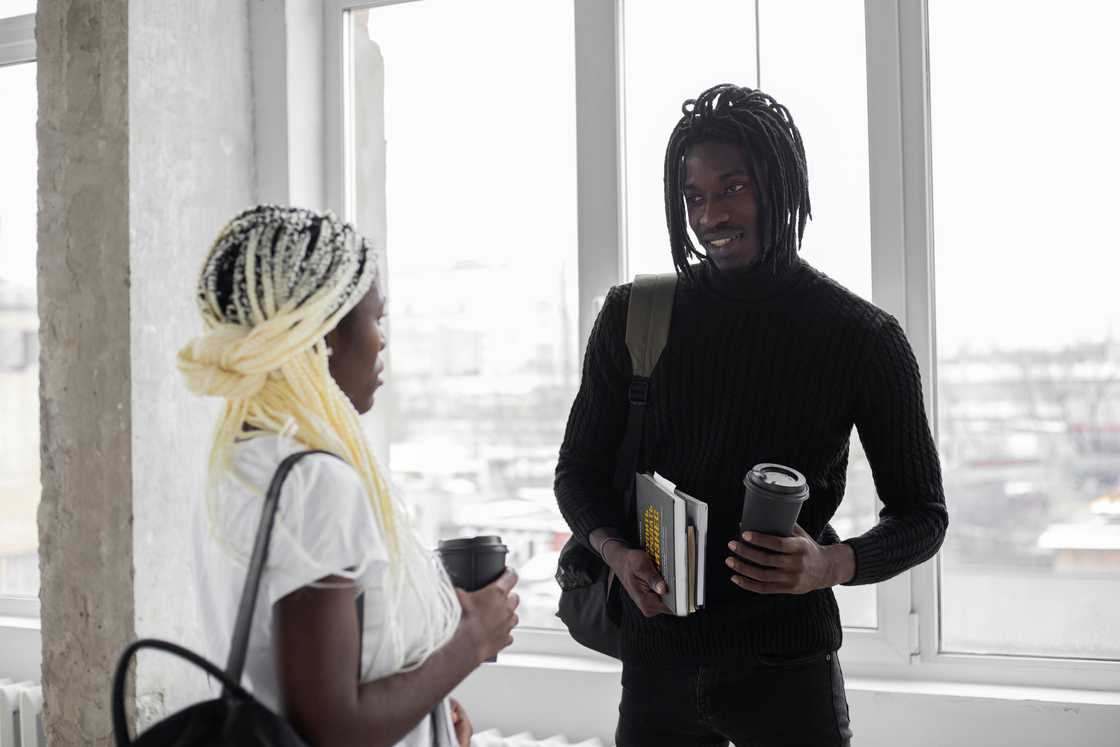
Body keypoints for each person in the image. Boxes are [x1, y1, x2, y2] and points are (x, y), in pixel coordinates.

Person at [555, 84, 948, 746]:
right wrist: (617, 554)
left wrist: (833, 563)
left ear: (779, 184)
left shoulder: (860, 337)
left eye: (732, 186)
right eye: (695, 195)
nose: (711, 213)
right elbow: (577, 472)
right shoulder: (634, 315)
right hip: (658, 671)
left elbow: (923, 515)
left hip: (788, 673)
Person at [180, 205, 519, 747]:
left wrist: (424, 707)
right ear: (321, 336)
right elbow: (330, 728)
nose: (382, 341)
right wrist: (473, 638)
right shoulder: (315, 484)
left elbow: (312, 676)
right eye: (375, 319)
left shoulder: (238, 461)